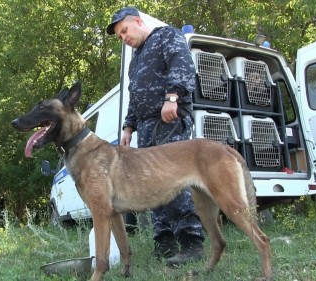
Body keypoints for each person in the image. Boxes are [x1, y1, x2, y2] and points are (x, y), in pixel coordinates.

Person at [106, 7, 205, 266]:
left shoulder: (166, 36)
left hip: (169, 119)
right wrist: (128, 127)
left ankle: (192, 243)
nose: (124, 38)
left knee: (171, 181)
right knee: (150, 184)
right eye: (119, 36)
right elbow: (134, 95)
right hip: (146, 127)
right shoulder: (135, 59)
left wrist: (172, 97)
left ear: (138, 21)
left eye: (125, 31)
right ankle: (164, 241)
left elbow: (181, 64)